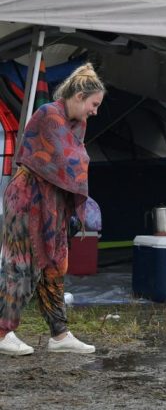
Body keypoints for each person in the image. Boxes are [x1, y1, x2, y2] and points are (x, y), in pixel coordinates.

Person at [0, 63, 105, 356]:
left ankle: (59, 335)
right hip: (28, 198)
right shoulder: (49, 115)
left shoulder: (78, 124)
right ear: (80, 95)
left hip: (54, 200)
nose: (95, 111)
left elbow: (73, 162)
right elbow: (68, 160)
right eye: (93, 104)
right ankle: (2, 331)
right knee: (21, 263)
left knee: (55, 264)